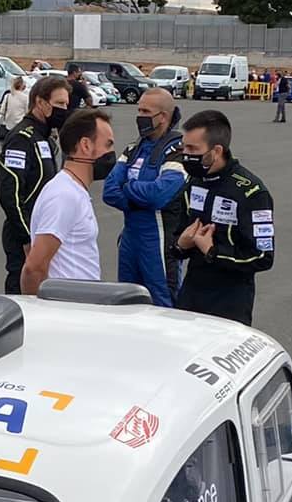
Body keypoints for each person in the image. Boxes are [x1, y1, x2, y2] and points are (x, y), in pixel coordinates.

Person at [172, 109, 274, 326]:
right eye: (184, 147)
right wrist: (181, 244)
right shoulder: (194, 182)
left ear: (216, 150)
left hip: (230, 304)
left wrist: (212, 251)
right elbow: (177, 237)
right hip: (191, 297)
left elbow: (263, 256)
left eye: (193, 149)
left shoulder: (252, 193)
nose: (185, 155)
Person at [103, 88, 187, 306]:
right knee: (127, 300)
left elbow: (158, 195)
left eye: (146, 111)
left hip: (158, 242)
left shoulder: (178, 151)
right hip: (130, 238)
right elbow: (110, 191)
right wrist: (139, 196)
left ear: (164, 117)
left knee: (162, 304)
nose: (140, 116)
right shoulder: (134, 148)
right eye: (138, 109)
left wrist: (128, 188)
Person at [22, 108, 115, 295]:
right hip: (69, 309)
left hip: (79, 307)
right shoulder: (64, 195)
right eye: (108, 144)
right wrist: (36, 309)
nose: (112, 153)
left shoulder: (73, 190)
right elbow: (34, 266)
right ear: (86, 145)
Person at [0, 75, 71, 295]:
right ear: (40, 102)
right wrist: (27, 238)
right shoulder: (21, 138)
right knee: (23, 298)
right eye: (59, 104)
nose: (64, 109)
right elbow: (10, 192)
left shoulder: (45, 138)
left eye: (66, 104)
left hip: (44, 234)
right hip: (24, 236)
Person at [0, 74, 28, 147]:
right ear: (22, 85)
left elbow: (2, 111)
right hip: (20, 126)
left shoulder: (7, 96)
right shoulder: (25, 98)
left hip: (8, 126)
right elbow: (27, 112)